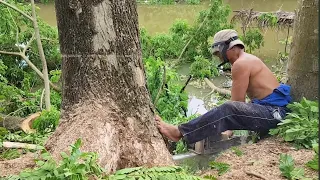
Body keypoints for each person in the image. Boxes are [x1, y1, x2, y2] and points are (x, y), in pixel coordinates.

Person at [155, 29, 292, 144]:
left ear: (229, 47)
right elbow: (241, 106)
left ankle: (179, 132)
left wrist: (228, 126)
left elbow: (236, 105)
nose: (219, 57)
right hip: (273, 112)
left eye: (218, 52)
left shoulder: (240, 64)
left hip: (275, 114)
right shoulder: (247, 59)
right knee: (228, 109)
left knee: (227, 108)